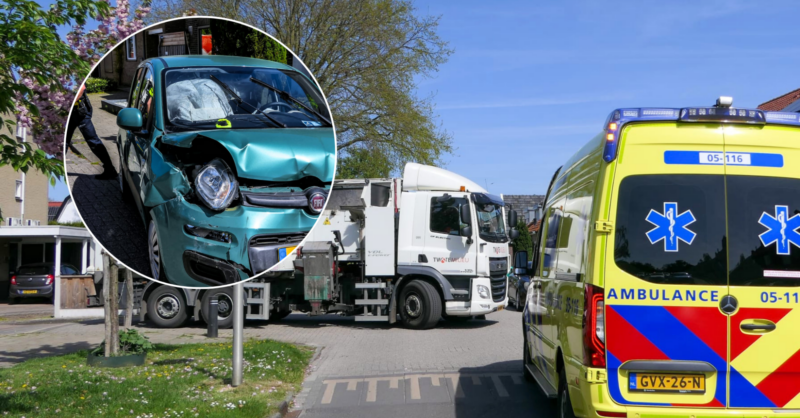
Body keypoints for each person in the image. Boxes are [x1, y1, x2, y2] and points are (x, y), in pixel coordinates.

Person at [66, 85, 117, 179]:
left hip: (79, 112)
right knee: (63, 141)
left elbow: (81, 89)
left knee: (93, 141)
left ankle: (110, 169)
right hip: (71, 112)